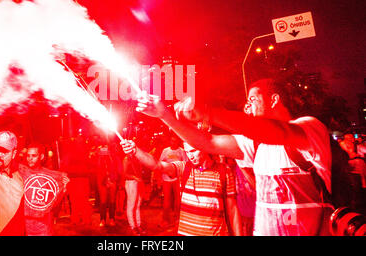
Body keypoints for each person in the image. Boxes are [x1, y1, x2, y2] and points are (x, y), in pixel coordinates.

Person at [135, 78, 333, 236]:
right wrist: (165, 115)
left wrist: (207, 112)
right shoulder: (255, 144)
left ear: (274, 99)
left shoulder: (309, 128)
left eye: (253, 100)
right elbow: (207, 142)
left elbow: (280, 132)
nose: (248, 107)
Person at [121, 140, 241, 236]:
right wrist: (136, 150)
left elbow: (232, 211)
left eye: (193, 151)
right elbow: (158, 165)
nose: (190, 156)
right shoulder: (185, 168)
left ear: (204, 147)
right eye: (187, 152)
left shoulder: (224, 172)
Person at [18, 143, 69, 236]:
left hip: (44, 226)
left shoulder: (50, 177)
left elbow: (54, 202)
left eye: (34, 155)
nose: (30, 158)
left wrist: (63, 187)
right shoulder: (21, 172)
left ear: (41, 157)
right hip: (24, 225)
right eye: (28, 156)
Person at [158, 134, 187, 227]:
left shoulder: (182, 151)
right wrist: (159, 178)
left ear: (178, 142)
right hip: (166, 179)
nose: (173, 143)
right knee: (167, 201)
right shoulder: (165, 151)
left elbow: (185, 164)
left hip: (178, 179)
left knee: (178, 200)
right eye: (172, 141)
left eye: (175, 141)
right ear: (170, 141)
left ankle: (178, 219)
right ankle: (165, 220)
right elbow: (160, 164)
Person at [96, 144, 121, 227]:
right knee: (103, 200)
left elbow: (118, 169)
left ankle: (112, 218)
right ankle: (102, 219)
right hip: (102, 180)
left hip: (112, 179)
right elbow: (98, 167)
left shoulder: (115, 157)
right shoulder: (100, 157)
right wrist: (99, 156)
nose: (105, 151)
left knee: (112, 200)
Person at [123, 152, 143, 235]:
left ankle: (138, 225)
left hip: (137, 182)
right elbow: (124, 174)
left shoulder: (136, 158)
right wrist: (134, 177)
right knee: (131, 205)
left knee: (137, 205)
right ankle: (133, 226)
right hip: (131, 183)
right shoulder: (126, 159)